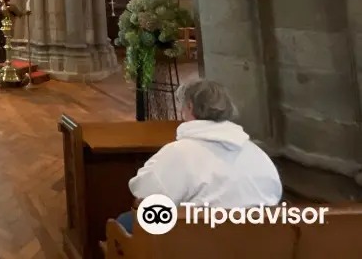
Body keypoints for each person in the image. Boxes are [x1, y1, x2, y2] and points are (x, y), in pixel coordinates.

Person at [117, 79, 282, 234]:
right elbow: (275, 194)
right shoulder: (256, 152)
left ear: (189, 107)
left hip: (202, 243)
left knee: (125, 223)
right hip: (259, 240)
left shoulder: (179, 152)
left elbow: (146, 193)